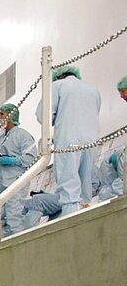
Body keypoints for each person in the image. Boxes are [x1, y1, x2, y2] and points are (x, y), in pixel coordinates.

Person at [35, 65, 101, 215]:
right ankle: (85, 216)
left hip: (68, 140)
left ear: (58, 76)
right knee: (85, 187)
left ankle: (70, 221)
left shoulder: (57, 86)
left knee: (68, 187)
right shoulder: (93, 91)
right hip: (91, 142)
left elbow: (43, 116)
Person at [0, 102, 38, 236]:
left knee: (13, 217)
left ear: (11, 116)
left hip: (15, 183)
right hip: (1, 183)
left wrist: (12, 160)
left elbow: (30, 158)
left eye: (1, 114)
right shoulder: (1, 138)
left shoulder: (23, 136)